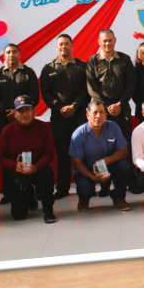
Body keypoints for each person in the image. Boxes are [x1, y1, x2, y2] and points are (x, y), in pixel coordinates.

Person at [40, 34, 89, 200]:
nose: (63, 47)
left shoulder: (82, 67)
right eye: (60, 44)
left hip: (78, 116)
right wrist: (60, 107)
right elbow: (46, 93)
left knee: (82, 153)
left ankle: (85, 186)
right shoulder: (48, 69)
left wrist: (74, 106)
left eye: (66, 44)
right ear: (56, 47)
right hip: (58, 117)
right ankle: (62, 188)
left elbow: (86, 91)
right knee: (62, 154)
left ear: (72, 46)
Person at [0, 96, 58, 223]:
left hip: (38, 170)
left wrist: (36, 167)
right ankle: (29, 195)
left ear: (34, 111)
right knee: (18, 215)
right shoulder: (7, 131)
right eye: (20, 111)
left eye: (28, 110)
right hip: (17, 172)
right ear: (14, 113)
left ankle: (48, 210)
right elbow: (2, 157)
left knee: (47, 173)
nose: (24, 114)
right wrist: (15, 165)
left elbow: (49, 154)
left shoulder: (44, 128)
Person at [69, 100, 133, 212]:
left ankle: (119, 198)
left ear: (106, 115)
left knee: (125, 165)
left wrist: (106, 161)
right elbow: (77, 163)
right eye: (95, 112)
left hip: (108, 166)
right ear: (87, 115)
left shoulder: (113, 127)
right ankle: (84, 199)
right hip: (87, 169)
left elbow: (124, 151)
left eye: (102, 112)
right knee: (85, 187)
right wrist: (93, 177)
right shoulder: (78, 134)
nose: (98, 116)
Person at [0, 43, 39, 136]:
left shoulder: (28, 73)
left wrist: (18, 111)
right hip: (5, 119)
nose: (11, 54)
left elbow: (34, 95)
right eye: (8, 52)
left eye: (14, 52)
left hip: (25, 119)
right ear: (4, 56)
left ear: (19, 54)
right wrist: (6, 110)